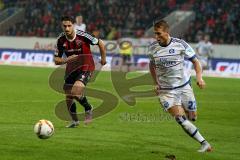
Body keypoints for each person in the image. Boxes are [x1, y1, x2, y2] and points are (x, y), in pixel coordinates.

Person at [148, 20, 212, 152]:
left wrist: (199, 77)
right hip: (165, 91)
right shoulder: (153, 48)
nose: (156, 37)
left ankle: (183, 107)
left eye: (159, 33)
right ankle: (204, 143)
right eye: (155, 34)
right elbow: (151, 65)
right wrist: (155, 82)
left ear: (167, 32)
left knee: (192, 117)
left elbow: (195, 61)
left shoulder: (180, 44)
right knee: (181, 119)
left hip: (184, 86)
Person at [54, 16, 106, 128]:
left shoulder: (83, 36)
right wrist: (66, 60)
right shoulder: (60, 40)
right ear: (61, 26)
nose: (67, 28)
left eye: (69, 26)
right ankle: (74, 121)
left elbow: (100, 43)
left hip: (86, 67)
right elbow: (56, 60)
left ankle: (88, 108)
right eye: (64, 26)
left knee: (75, 91)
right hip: (71, 69)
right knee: (68, 97)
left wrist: (103, 59)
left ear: (73, 25)